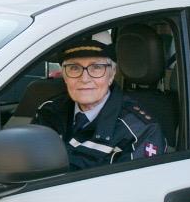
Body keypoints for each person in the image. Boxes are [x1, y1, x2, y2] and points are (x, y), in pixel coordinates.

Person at [33, 36, 165, 169]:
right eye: (74, 68)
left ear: (112, 74)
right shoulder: (49, 111)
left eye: (96, 67)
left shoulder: (140, 131)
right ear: (65, 76)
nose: (84, 79)